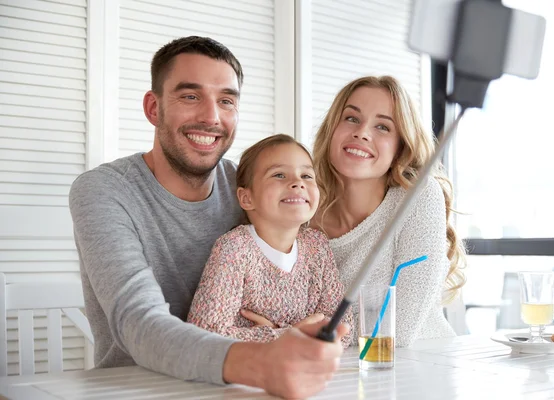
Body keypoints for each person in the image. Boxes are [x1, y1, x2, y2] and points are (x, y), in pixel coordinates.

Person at [69, 36, 348, 400]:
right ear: (154, 108)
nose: (211, 117)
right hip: (139, 389)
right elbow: (139, 324)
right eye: (190, 96)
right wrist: (271, 353)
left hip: (241, 391)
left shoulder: (251, 185)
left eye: (226, 101)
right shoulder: (105, 191)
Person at [311, 75, 467, 346]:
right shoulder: (301, 210)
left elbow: (397, 330)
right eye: (351, 118)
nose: (362, 132)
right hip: (334, 374)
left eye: (382, 127)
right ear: (332, 129)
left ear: (400, 147)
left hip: (423, 371)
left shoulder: (418, 198)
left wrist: (294, 329)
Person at [187, 134, 352, 347]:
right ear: (247, 198)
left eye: (307, 176)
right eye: (279, 175)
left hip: (302, 373)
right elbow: (203, 333)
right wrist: (285, 336)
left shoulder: (317, 246)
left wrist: (282, 334)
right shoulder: (235, 248)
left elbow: (343, 327)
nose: (298, 183)